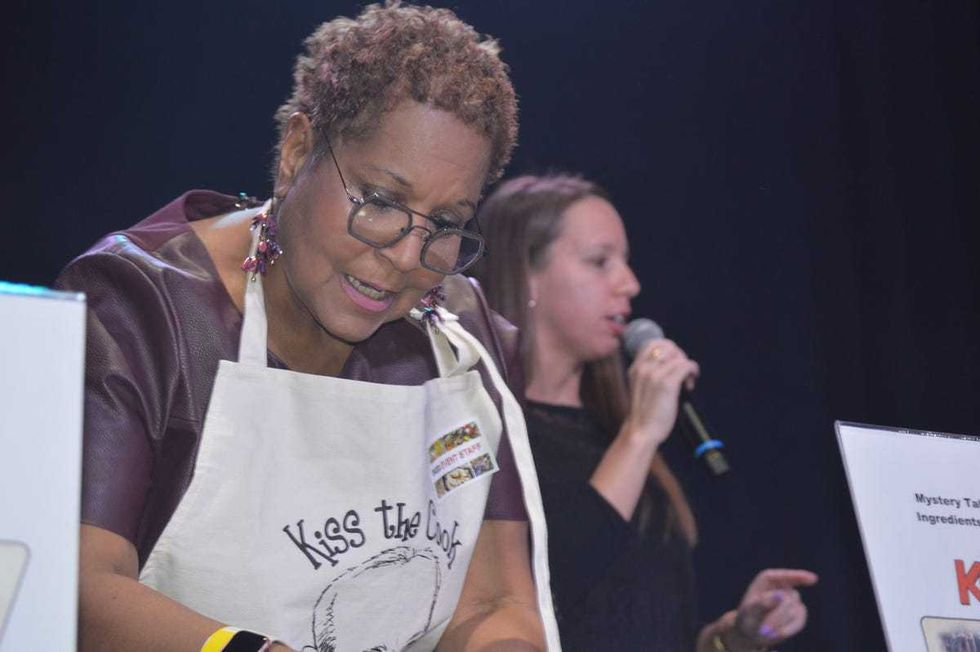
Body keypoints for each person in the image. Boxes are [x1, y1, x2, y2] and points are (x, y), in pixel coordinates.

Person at [56, 4, 560, 650]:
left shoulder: (458, 336)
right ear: (298, 153)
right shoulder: (139, 308)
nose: (408, 256)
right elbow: (79, 589)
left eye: (445, 224)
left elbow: (494, 603)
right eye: (381, 202)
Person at [473, 174, 818, 652]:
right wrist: (639, 435)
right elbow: (547, 587)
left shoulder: (613, 433)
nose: (630, 284)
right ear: (526, 273)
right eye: (600, 262)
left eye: (626, 262)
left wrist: (732, 637)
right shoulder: (488, 428)